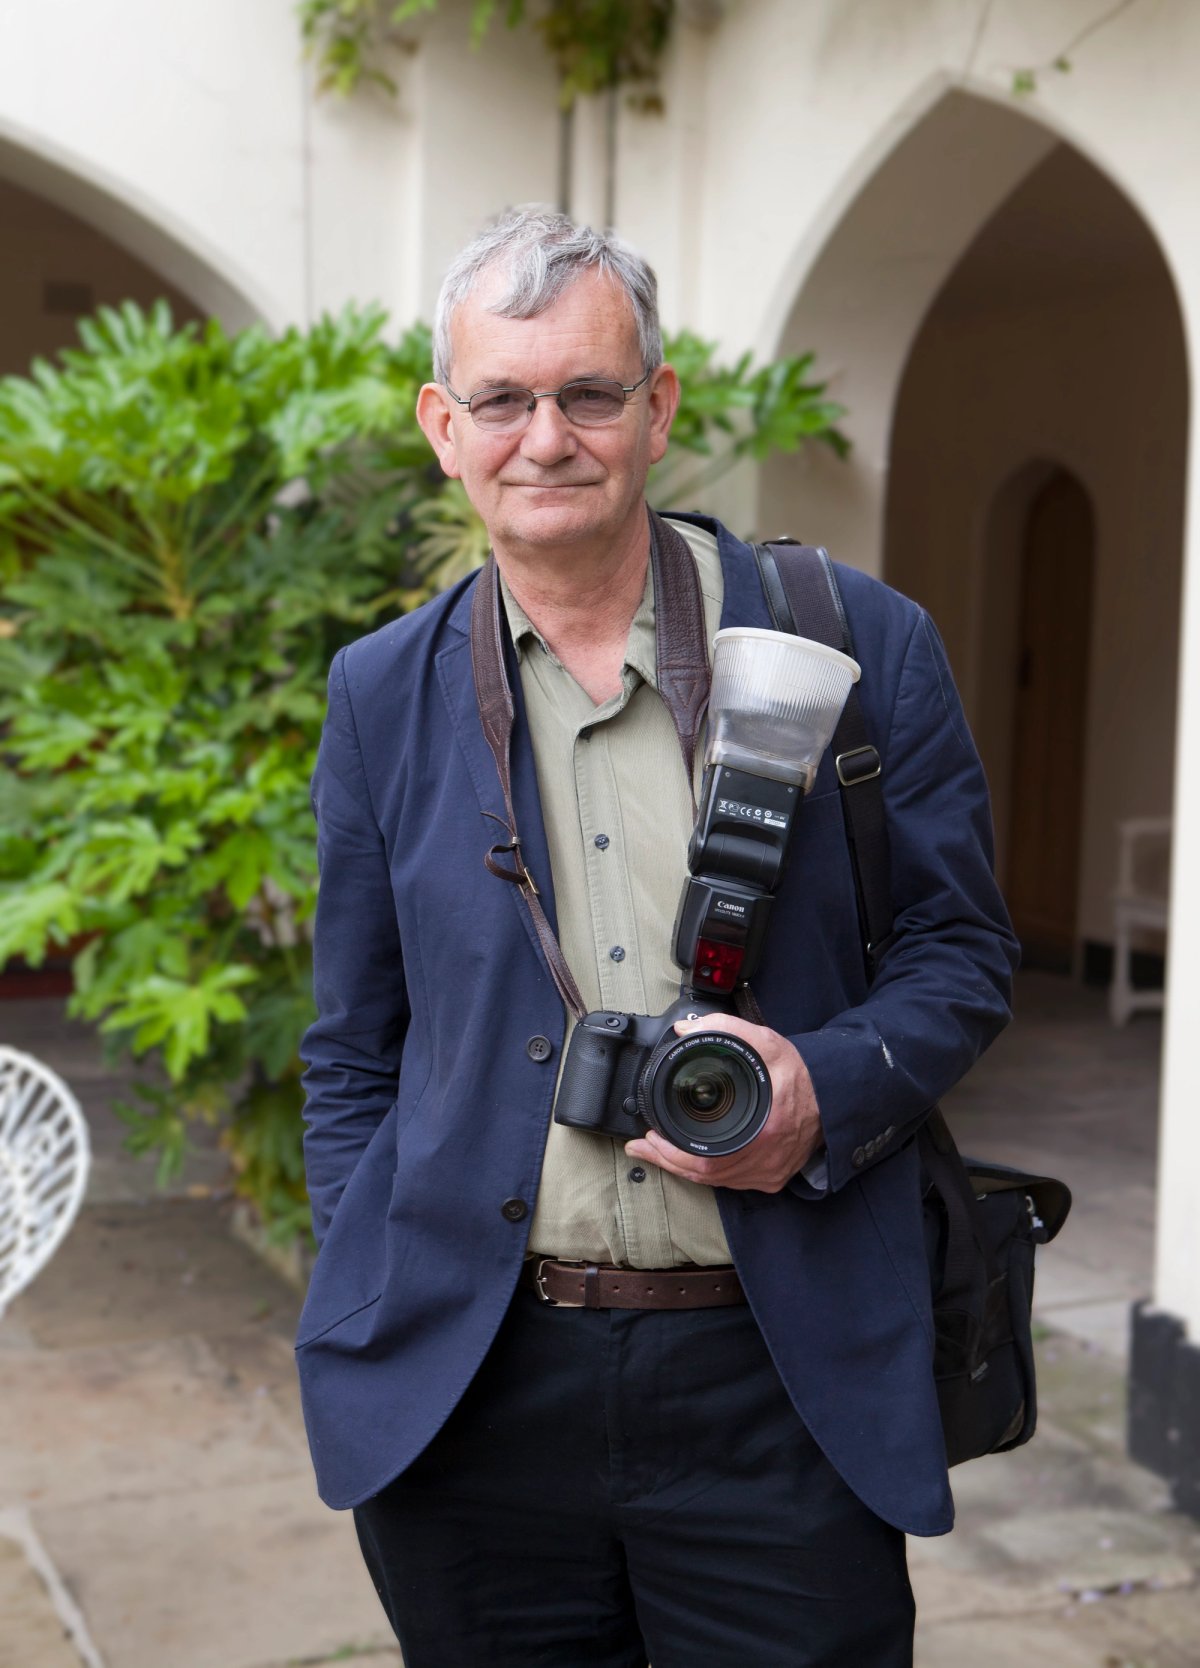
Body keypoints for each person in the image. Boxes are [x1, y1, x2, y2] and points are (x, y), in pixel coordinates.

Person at [298, 208, 1018, 1667]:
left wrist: (827, 1085)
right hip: (472, 1390)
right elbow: (354, 1044)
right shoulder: (382, 692)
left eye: (589, 393)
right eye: (502, 398)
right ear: (446, 426)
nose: (545, 437)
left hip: (779, 1373)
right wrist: (368, 1270)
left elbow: (960, 949)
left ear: (658, 408)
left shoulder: (857, 639)